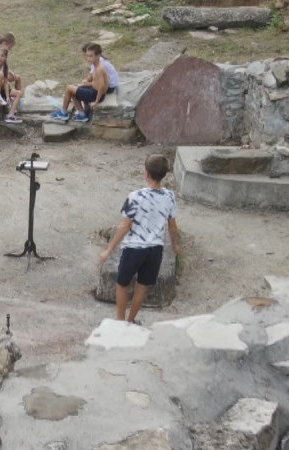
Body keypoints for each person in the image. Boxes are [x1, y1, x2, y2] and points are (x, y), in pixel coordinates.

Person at [98, 154, 180, 324]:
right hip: (155, 249)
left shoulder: (135, 197)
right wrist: (175, 245)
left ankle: (120, 319)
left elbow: (124, 226)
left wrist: (109, 249)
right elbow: (172, 226)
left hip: (134, 248)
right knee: (142, 286)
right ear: (164, 174)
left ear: (146, 173)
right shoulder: (170, 196)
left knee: (122, 284)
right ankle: (131, 320)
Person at [50, 43, 119, 123]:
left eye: (90, 56)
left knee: (69, 88)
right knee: (72, 90)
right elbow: (98, 83)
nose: (88, 58)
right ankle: (81, 115)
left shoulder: (100, 68)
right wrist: (87, 84)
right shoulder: (97, 65)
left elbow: (102, 86)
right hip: (94, 92)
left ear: (98, 55)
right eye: (87, 56)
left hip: (95, 94)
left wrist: (96, 101)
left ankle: (63, 113)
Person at [0, 32, 23, 98]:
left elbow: (3, 67)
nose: (10, 49)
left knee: (17, 77)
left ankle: (18, 97)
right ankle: (16, 95)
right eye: (10, 47)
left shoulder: (1, 52)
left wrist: (11, 73)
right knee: (15, 78)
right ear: (5, 43)